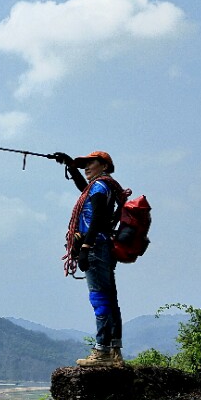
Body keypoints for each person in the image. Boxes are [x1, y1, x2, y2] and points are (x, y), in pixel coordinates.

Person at [56, 151, 130, 367]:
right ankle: (114, 350)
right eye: (84, 164)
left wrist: (86, 247)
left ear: (104, 166)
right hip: (105, 245)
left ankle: (102, 351)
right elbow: (83, 189)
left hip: (96, 246)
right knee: (109, 297)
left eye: (91, 163)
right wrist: (70, 165)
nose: (86, 167)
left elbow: (97, 216)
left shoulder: (99, 187)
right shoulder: (104, 186)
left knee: (99, 298)